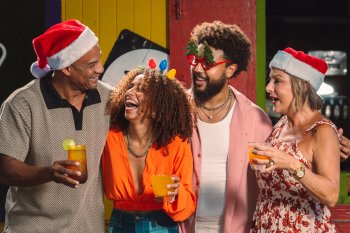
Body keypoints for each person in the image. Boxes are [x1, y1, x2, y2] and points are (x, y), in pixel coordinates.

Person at [0, 19, 113, 232]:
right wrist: (49, 172)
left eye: (99, 60)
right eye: (91, 65)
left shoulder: (108, 99)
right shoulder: (23, 104)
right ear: (67, 68)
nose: (100, 68)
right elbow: (5, 169)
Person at [179, 21, 273, 233]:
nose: (198, 69)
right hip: (181, 227)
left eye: (208, 63)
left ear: (230, 69)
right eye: (195, 60)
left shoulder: (256, 120)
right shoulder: (175, 111)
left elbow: (273, 180)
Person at [250, 47, 340, 232]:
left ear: (303, 86)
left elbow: (331, 195)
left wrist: (291, 164)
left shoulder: (322, 131)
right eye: (270, 80)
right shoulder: (281, 125)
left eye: (277, 81)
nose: (268, 87)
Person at [102, 66, 197, 233]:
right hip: (119, 224)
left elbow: (187, 206)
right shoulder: (109, 138)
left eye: (141, 89)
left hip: (162, 226)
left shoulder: (176, 143)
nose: (129, 92)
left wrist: (175, 194)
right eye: (130, 86)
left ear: (157, 106)